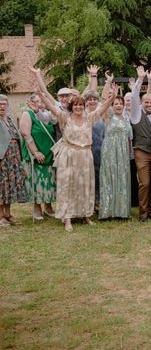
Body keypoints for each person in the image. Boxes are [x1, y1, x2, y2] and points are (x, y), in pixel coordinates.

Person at [31, 67, 118, 231]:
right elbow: (50, 106)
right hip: (69, 155)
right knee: (68, 186)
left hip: (86, 155)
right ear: (72, 107)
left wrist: (112, 96)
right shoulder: (64, 117)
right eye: (76, 105)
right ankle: (68, 218)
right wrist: (40, 93)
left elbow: (103, 107)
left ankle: (85, 214)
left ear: (84, 106)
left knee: (85, 185)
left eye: (81, 105)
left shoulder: (90, 118)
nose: (78, 107)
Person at [130, 67, 151, 222]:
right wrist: (140, 79)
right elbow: (134, 96)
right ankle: (143, 212)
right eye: (146, 102)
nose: (149, 104)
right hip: (141, 151)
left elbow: (150, 93)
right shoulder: (135, 114)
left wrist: (150, 80)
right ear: (141, 103)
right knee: (145, 183)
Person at [19, 93, 56, 220]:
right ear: (31, 102)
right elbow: (25, 133)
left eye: (43, 101)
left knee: (48, 182)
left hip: (49, 155)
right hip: (35, 155)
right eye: (37, 101)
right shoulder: (27, 114)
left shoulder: (49, 115)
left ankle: (48, 206)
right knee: (37, 182)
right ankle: (36, 208)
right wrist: (35, 152)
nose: (40, 103)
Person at [99, 95, 133, 220]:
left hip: (123, 153)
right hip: (110, 152)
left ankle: (122, 211)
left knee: (122, 177)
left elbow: (129, 138)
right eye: (115, 103)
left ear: (124, 105)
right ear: (111, 106)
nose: (118, 105)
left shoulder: (126, 119)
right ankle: (108, 211)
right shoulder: (108, 117)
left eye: (120, 103)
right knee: (109, 177)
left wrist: (129, 154)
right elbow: (104, 103)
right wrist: (111, 93)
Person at [0, 94, 28, 225]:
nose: (2, 106)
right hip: (2, 159)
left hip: (13, 158)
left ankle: (8, 213)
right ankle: (1, 216)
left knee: (10, 185)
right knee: (2, 186)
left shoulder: (10, 120)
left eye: (4, 104)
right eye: (0, 104)